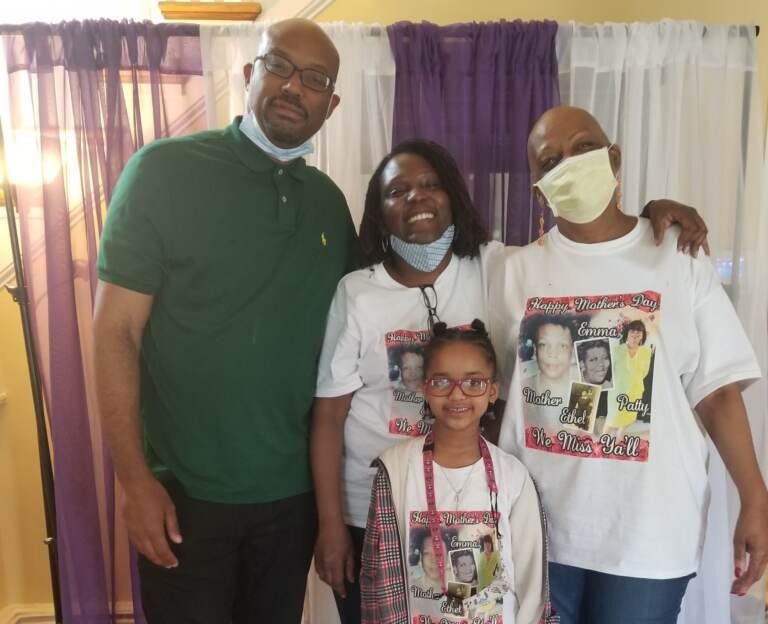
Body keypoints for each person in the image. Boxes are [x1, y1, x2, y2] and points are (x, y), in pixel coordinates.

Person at [311, 138, 713, 623]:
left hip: (477, 503)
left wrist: (650, 217)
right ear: (378, 211)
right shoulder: (357, 293)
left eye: (429, 184)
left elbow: (578, 254)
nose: (416, 197)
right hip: (376, 507)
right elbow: (329, 418)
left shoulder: (492, 266)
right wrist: (330, 524)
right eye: (397, 190)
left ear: (453, 195)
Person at [93, 18, 357, 623]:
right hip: (184, 497)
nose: (294, 87)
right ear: (250, 73)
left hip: (291, 500)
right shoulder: (162, 172)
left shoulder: (328, 203)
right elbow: (116, 334)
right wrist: (134, 481)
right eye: (279, 66)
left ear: (331, 104)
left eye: (314, 79)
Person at [490, 105, 768, 623]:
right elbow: (496, 395)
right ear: (537, 189)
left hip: (649, 534)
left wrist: (755, 497)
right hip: (539, 527)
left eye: (584, 149)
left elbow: (718, 393)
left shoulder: (679, 257)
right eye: (549, 161)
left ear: (614, 158)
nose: (568, 164)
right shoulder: (513, 273)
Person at [360, 321, 553, 624]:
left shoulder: (514, 477)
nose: (457, 395)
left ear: (492, 391)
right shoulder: (395, 471)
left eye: (473, 383)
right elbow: (381, 584)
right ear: (425, 388)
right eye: (441, 382)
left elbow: (533, 588)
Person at [603, 320, 653, 440]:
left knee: (629, 416)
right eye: (632, 332)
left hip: (635, 390)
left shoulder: (646, 352)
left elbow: (645, 372)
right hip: (617, 391)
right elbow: (609, 370)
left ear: (643, 336)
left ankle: (620, 434)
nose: (635, 335)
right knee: (612, 418)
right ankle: (603, 440)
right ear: (627, 333)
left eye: (639, 333)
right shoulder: (617, 350)